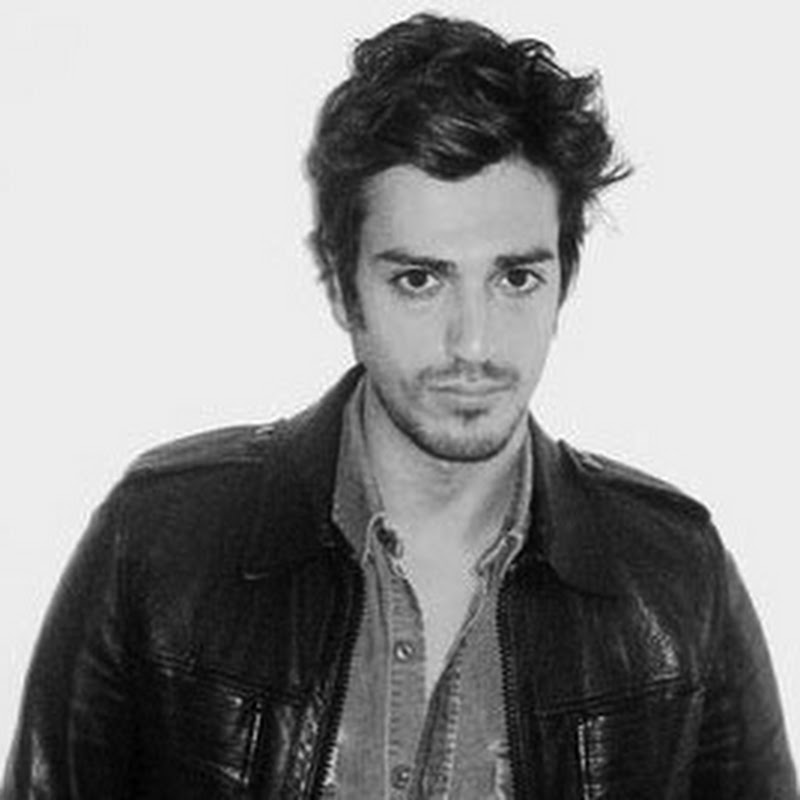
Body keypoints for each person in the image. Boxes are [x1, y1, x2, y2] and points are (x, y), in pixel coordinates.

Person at [2, 12, 796, 799]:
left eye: (516, 278)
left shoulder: (674, 582)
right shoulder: (162, 545)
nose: (473, 341)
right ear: (342, 286)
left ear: (564, 284)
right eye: (420, 279)